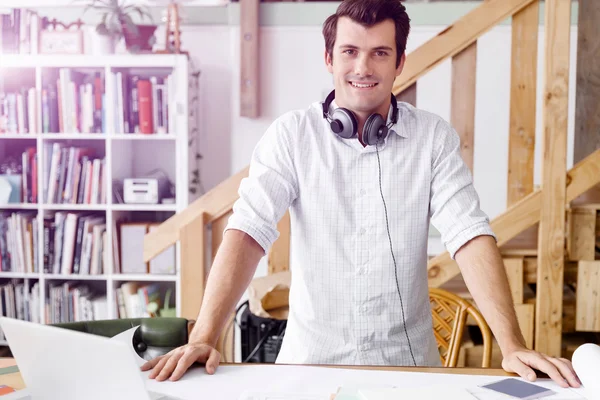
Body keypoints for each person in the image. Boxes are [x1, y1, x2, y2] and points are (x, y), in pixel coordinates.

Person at [142, 0, 581, 388]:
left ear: (400, 62)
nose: (363, 68)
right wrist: (203, 337)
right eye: (350, 52)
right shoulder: (292, 136)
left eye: (379, 53)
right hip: (309, 369)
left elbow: (468, 234)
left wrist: (513, 344)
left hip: (408, 373)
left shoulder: (433, 139)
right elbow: (248, 230)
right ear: (329, 59)